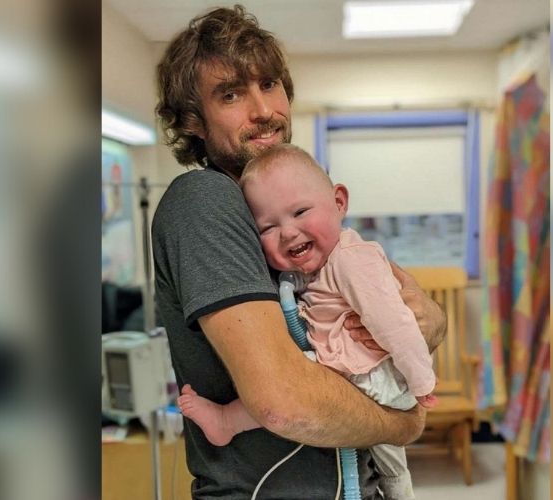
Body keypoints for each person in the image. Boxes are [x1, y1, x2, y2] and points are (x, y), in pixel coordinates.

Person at [152, 5, 446, 499]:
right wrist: (402, 425)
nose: (264, 109)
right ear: (192, 121)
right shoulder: (205, 200)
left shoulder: (283, 197)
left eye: (270, 84)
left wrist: (434, 320)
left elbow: (403, 304)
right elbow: (283, 402)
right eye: (231, 94)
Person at [177, 144, 439, 499]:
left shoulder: (352, 261)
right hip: (359, 367)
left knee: (291, 377)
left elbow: (396, 325)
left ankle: (227, 422)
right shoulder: (316, 268)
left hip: (372, 373)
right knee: (393, 468)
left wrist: (422, 381)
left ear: (339, 203)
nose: (287, 232)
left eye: (300, 211)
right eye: (267, 226)